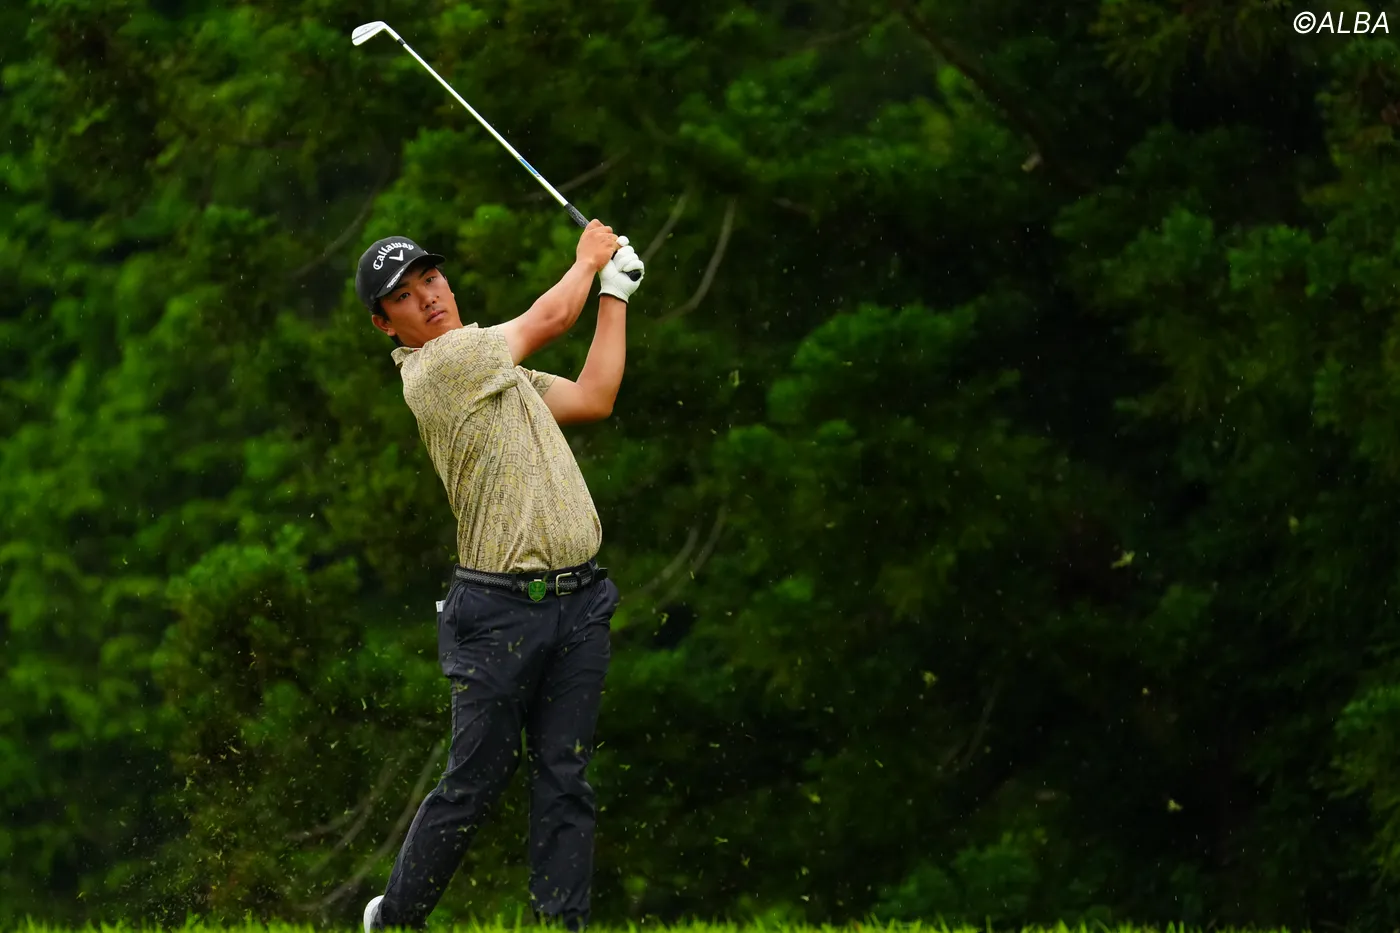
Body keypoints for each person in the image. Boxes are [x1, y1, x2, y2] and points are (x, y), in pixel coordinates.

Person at [352, 219, 645, 932]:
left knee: (565, 776)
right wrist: (588, 260)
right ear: (385, 324)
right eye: (404, 295)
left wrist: (614, 293)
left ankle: (561, 926)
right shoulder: (441, 368)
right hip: (498, 614)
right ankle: (396, 919)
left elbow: (594, 396)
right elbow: (549, 319)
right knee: (476, 782)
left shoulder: (497, 371)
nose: (428, 297)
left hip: (579, 603)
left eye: (431, 279)